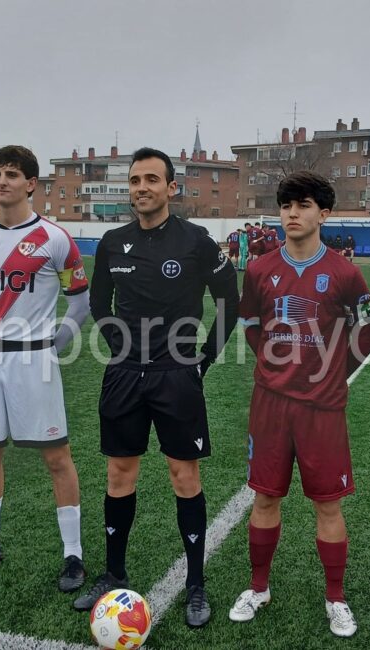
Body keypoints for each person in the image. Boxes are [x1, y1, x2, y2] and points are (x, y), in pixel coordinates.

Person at [75, 147, 239, 627]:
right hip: (124, 374)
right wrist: (115, 341)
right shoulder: (111, 242)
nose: (141, 188)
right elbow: (98, 299)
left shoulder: (197, 242)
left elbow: (228, 298)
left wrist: (204, 356)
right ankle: (113, 573)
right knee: (119, 475)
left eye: (151, 179)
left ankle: (195, 584)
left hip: (175, 375)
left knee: (183, 477)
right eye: (134, 180)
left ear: (171, 187)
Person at [229, 171, 370, 638]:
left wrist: (333, 369)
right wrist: (273, 365)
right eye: (287, 205)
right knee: (265, 496)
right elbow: (250, 323)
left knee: (328, 506)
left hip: (323, 408)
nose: (292, 213)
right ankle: (258, 587)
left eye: (304, 205)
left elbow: (368, 333)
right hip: (270, 404)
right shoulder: (257, 268)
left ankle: (336, 597)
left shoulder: (345, 272)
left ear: (324, 214)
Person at [0, 145, 91, 594]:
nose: (1, 181)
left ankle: (73, 555)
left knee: (56, 457)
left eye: (11, 174)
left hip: (34, 358)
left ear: (31, 183)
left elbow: (81, 300)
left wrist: (57, 341)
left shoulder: (55, 238)